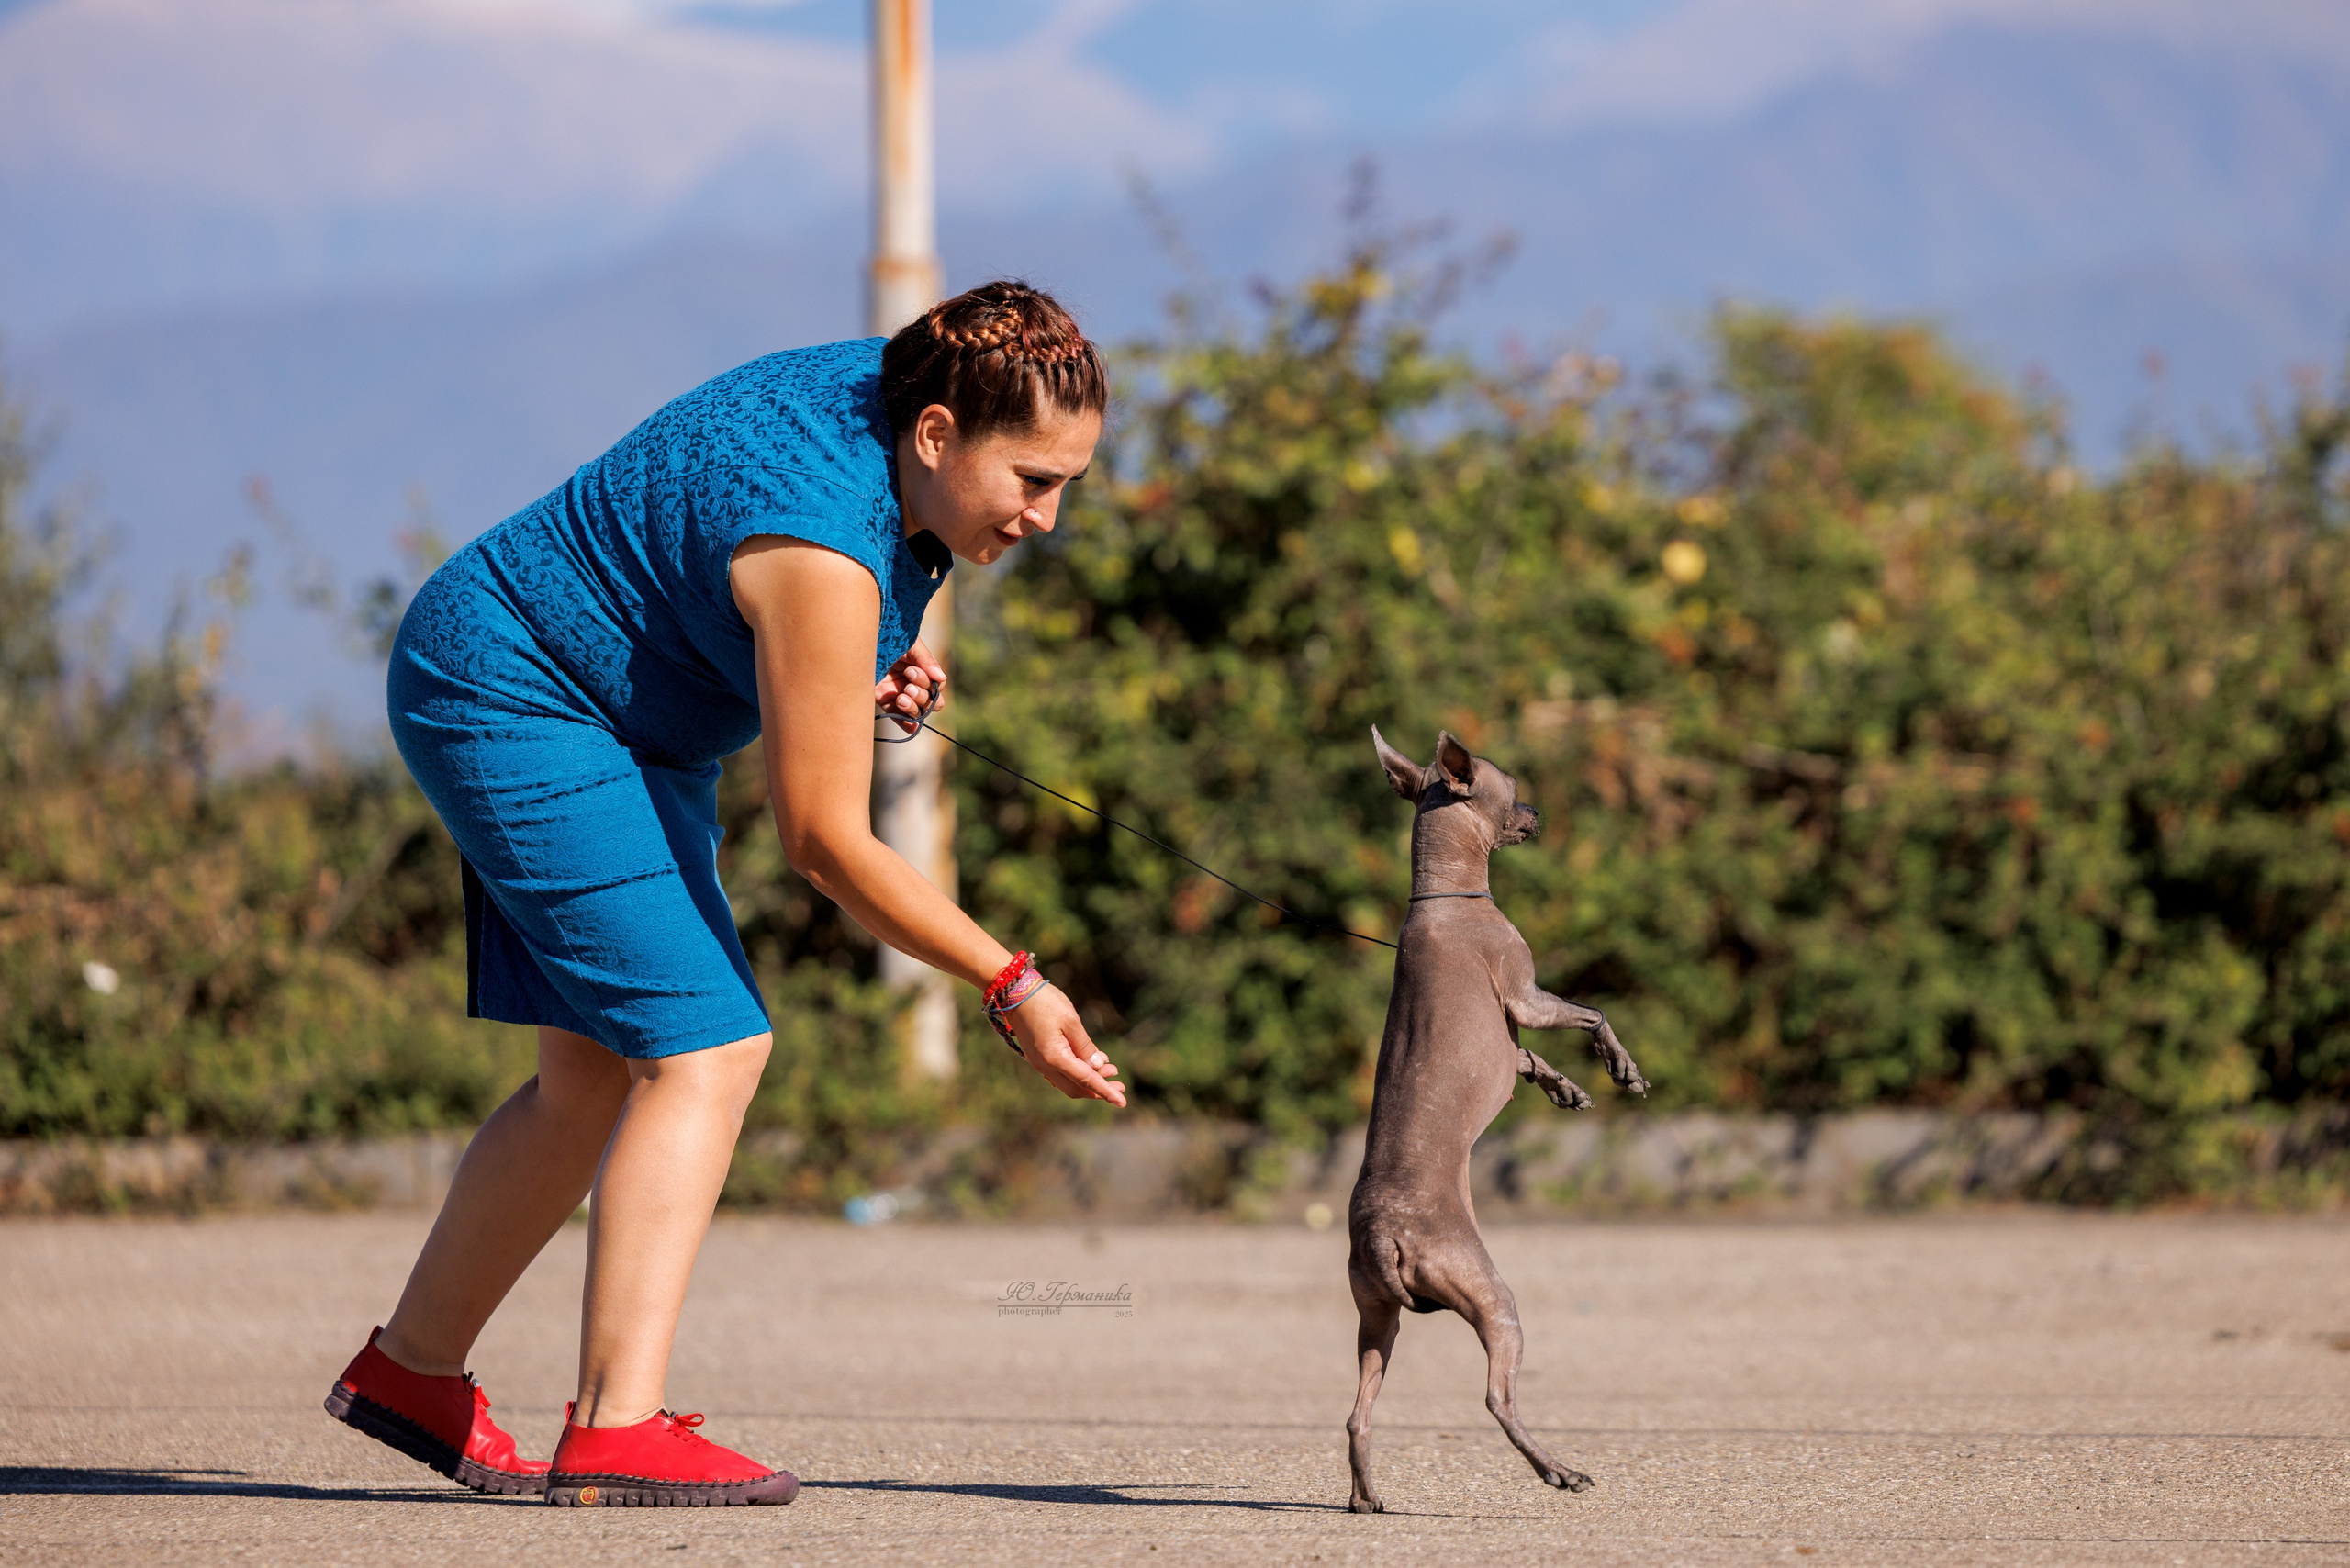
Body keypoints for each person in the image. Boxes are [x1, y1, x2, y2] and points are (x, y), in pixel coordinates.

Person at [322, 281, 1125, 1508]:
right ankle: (615, 1427)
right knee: (710, 1049)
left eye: (1068, 482)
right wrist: (1012, 982)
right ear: (936, 437)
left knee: (592, 1074)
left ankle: (412, 1372)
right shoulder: (823, 551)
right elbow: (824, 844)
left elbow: (757, 555)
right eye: (1032, 481)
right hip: (518, 695)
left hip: (616, 708)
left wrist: (850, 654)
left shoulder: (910, 383)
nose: (1049, 517)